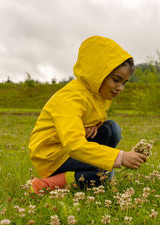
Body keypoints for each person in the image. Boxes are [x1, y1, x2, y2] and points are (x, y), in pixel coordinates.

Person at [28, 36, 147, 194]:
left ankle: (93, 171)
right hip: (52, 156)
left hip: (68, 148)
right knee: (104, 171)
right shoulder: (71, 97)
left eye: (124, 83)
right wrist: (120, 157)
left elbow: (93, 115)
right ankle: (47, 184)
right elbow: (74, 145)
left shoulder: (99, 93)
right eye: (116, 80)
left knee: (111, 129)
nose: (120, 88)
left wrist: (93, 125)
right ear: (99, 73)